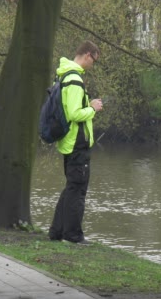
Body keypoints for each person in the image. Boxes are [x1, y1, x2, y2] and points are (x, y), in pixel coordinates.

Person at [48, 40, 103, 245]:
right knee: (78, 189)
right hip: (77, 143)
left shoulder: (63, 74)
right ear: (87, 55)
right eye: (94, 61)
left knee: (71, 187)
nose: (93, 65)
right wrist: (93, 109)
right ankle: (73, 236)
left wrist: (86, 105)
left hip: (68, 141)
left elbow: (69, 106)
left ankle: (56, 231)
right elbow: (74, 113)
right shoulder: (75, 79)